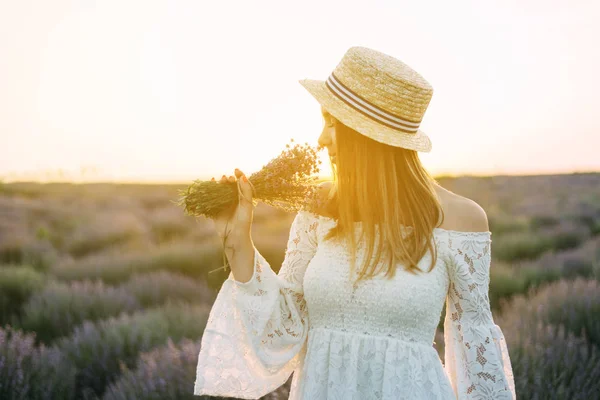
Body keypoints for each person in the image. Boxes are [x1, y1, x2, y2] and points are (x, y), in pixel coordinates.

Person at [194, 46, 516, 400]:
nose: (321, 139)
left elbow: (475, 350)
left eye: (331, 123)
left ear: (368, 135)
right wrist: (237, 238)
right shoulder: (320, 207)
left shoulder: (460, 220)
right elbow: (284, 327)